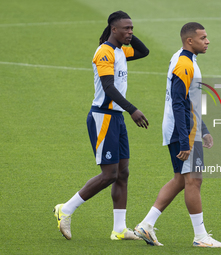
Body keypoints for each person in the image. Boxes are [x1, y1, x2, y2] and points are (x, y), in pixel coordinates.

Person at [53, 10, 149, 241]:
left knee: (123, 173)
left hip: (116, 118)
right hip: (103, 117)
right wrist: (132, 109)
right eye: (126, 28)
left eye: (132, 28)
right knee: (109, 175)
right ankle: (65, 209)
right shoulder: (105, 52)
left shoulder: (120, 50)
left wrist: (125, 35)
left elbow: (144, 51)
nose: (130, 32)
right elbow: (108, 87)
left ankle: (119, 230)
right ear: (113, 29)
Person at [134, 22, 221, 248]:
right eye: (203, 38)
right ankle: (200, 237)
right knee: (194, 181)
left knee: (180, 180)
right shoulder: (185, 65)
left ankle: (146, 225)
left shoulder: (182, 58)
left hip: (183, 129)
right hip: (183, 131)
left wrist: (203, 129)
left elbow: (188, 101)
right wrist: (187, 140)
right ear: (190, 41)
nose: (207, 41)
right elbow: (179, 104)